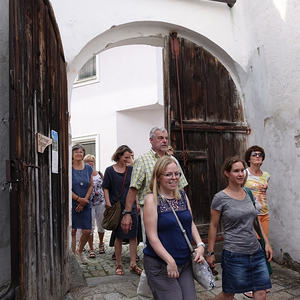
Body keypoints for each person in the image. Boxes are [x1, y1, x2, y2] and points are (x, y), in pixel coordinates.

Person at [207, 156, 272, 300]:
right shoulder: (220, 198)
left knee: (261, 292)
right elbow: (213, 225)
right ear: (227, 173)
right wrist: (210, 252)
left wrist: (266, 243)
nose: (241, 174)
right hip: (234, 254)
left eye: (242, 170)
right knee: (229, 294)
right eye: (236, 171)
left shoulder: (248, 193)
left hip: (256, 252)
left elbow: (256, 220)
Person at [143, 156, 205, 300]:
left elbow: (190, 223)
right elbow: (152, 237)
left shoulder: (182, 196)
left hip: (184, 262)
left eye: (176, 174)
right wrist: (169, 260)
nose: (174, 178)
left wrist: (200, 245)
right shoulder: (152, 200)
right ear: (158, 177)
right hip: (160, 264)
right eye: (168, 174)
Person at [121, 127, 188, 243]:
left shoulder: (173, 160)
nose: (165, 141)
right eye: (160, 138)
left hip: (174, 209)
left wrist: (185, 209)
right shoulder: (142, 160)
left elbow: (181, 187)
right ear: (151, 140)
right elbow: (133, 189)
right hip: (151, 209)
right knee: (153, 244)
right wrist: (127, 213)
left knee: (175, 242)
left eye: (166, 138)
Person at [102, 145, 142, 276]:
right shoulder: (109, 170)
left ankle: (133, 264)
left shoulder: (132, 170)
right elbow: (106, 188)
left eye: (130, 156)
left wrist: (137, 203)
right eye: (126, 157)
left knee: (133, 236)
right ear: (119, 156)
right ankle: (118, 264)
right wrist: (108, 203)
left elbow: (134, 187)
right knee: (118, 237)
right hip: (117, 207)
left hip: (131, 207)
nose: (128, 159)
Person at [244, 146, 271, 298]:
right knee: (252, 249)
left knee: (262, 248)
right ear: (249, 158)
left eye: (260, 155)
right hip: (249, 216)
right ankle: (249, 285)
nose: (258, 157)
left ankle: (261, 283)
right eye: (255, 154)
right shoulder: (245, 174)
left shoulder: (266, 175)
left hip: (264, 215)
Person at [71, 144, 94, 264]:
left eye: (80, 152)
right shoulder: (69, 168)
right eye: (76, 152)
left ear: (83, 154)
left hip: (86, 201)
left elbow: (91, 185)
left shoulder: (88, 168)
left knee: (87, 231)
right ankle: (73, 255)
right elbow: (66, 187)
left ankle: (80, 251)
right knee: (73, 230)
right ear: (72, 154)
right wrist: (78, 199)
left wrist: (84, 200)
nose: (78, 154)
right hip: (73, 202)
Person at [84, 154, 106, 257]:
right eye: (87, 161)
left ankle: (101, 244)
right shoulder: (83, 174)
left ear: (94, 162)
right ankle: (91, 248)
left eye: (91, 161)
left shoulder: (99, 174)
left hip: (100, 202)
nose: (90, 163)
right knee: (90, 226)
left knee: (101, 225)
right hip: (89, 204)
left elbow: (105, 188)